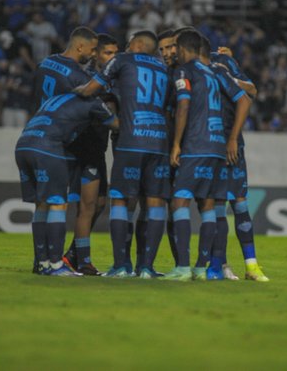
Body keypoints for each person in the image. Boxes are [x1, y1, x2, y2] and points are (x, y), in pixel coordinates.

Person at [74, 31, 172, 279]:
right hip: (159, 143)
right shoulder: (164, 69)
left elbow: (90, 89)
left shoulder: (124, 60)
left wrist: (79, 91)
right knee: (155, 202)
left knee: (120, 200)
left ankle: (121, 266)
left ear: (136, 45)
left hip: (131, 141)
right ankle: (147, 267)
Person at [165, 30, 251, 281]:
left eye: (176, 49)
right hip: (218, 147)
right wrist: (232, 137)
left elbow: (183, 105)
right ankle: (203, 268)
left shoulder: (186, 70)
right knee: (209, 207)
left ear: (183, 49)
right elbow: (244, 99)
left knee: (179, 201)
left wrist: (177, 144)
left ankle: (182, 267)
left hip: (196, 145)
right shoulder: (217, 71)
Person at [15, 92, 118, 276]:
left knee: (42, 204)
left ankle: (42, 262)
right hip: (47, 146)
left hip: (24, 143)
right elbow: (116, 124)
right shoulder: (94, 102)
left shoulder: (59, 98)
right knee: (57, 204)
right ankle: (56, 264)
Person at [206, 43, 268, 282]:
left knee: (240, 203)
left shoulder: (222, 63)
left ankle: (251, 265)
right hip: (208, 144)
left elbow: (252, 90)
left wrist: (231, 77)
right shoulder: (187, 67)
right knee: (218, 205)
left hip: (232, 144)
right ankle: (220, 265)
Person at [62, 33, 120, 276]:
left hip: (99, 148)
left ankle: (72, 254)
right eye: (108, 53)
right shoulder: (88, 79)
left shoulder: (115, 78)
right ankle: (83, 261)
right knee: (87, 206)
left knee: (99, 204)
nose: (112, 58)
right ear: (95, 54)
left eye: (116, 54)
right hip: (85, 149)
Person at [2, 62, 33, 127]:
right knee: (6, 130)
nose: (15, 68)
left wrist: (16, 88)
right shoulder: (9, 76)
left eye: (17, 67)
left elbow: (28, 91)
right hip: (9, 107)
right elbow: (3, 89)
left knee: (20, 130)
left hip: (22, 108)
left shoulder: (27, 77)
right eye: (14, 66)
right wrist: (8, 85)